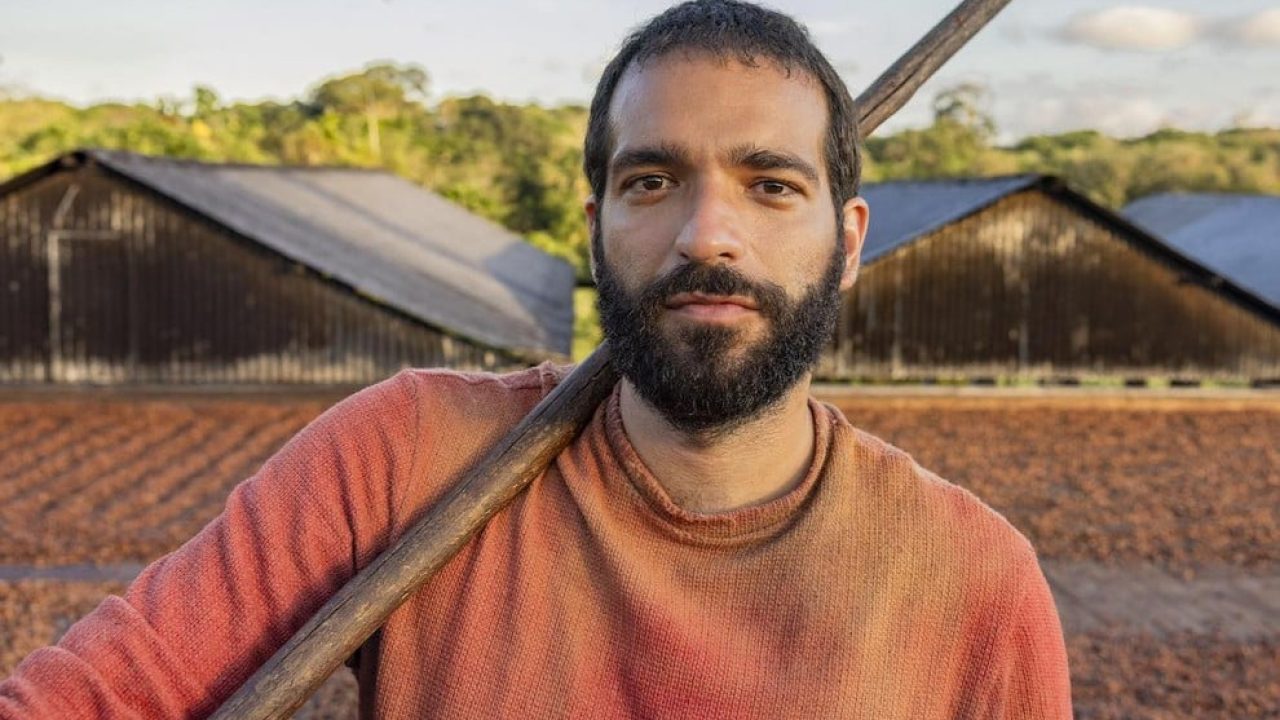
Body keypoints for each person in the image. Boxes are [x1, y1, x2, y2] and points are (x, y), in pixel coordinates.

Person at [0, 1, 1072, 717]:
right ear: (592, 226)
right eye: (651, 182)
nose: (707, 234)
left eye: (770, 184)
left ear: (846, 241)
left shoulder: (971, 581)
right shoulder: (410, 456)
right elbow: (95, 695)